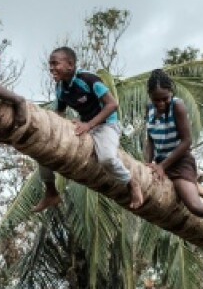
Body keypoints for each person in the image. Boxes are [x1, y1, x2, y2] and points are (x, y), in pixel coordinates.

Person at [30, 47, 144, 212]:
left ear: (70, 65)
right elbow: (59, 113)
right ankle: (51, 191)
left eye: (55, 64)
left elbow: (112, 104)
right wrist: (52, 129)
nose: (51, 68)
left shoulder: (88, 79)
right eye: (50, 64)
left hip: (106, 125)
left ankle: (132, 182)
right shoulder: (61, 87)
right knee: (45, 146)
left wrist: (89, 125)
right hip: (85, 126)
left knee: (106, 158)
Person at [143, 69, 203, 251]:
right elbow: (150, 139)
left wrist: (162, 166)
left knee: (194, 205)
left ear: (171, 94)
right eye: (156, 99)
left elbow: (186, 141)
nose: (160, 103)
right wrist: (148, 162)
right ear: (150, 97)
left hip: (179, 162)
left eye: (164, 98)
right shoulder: (149, 110)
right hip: (161, 163)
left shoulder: (178, 106)